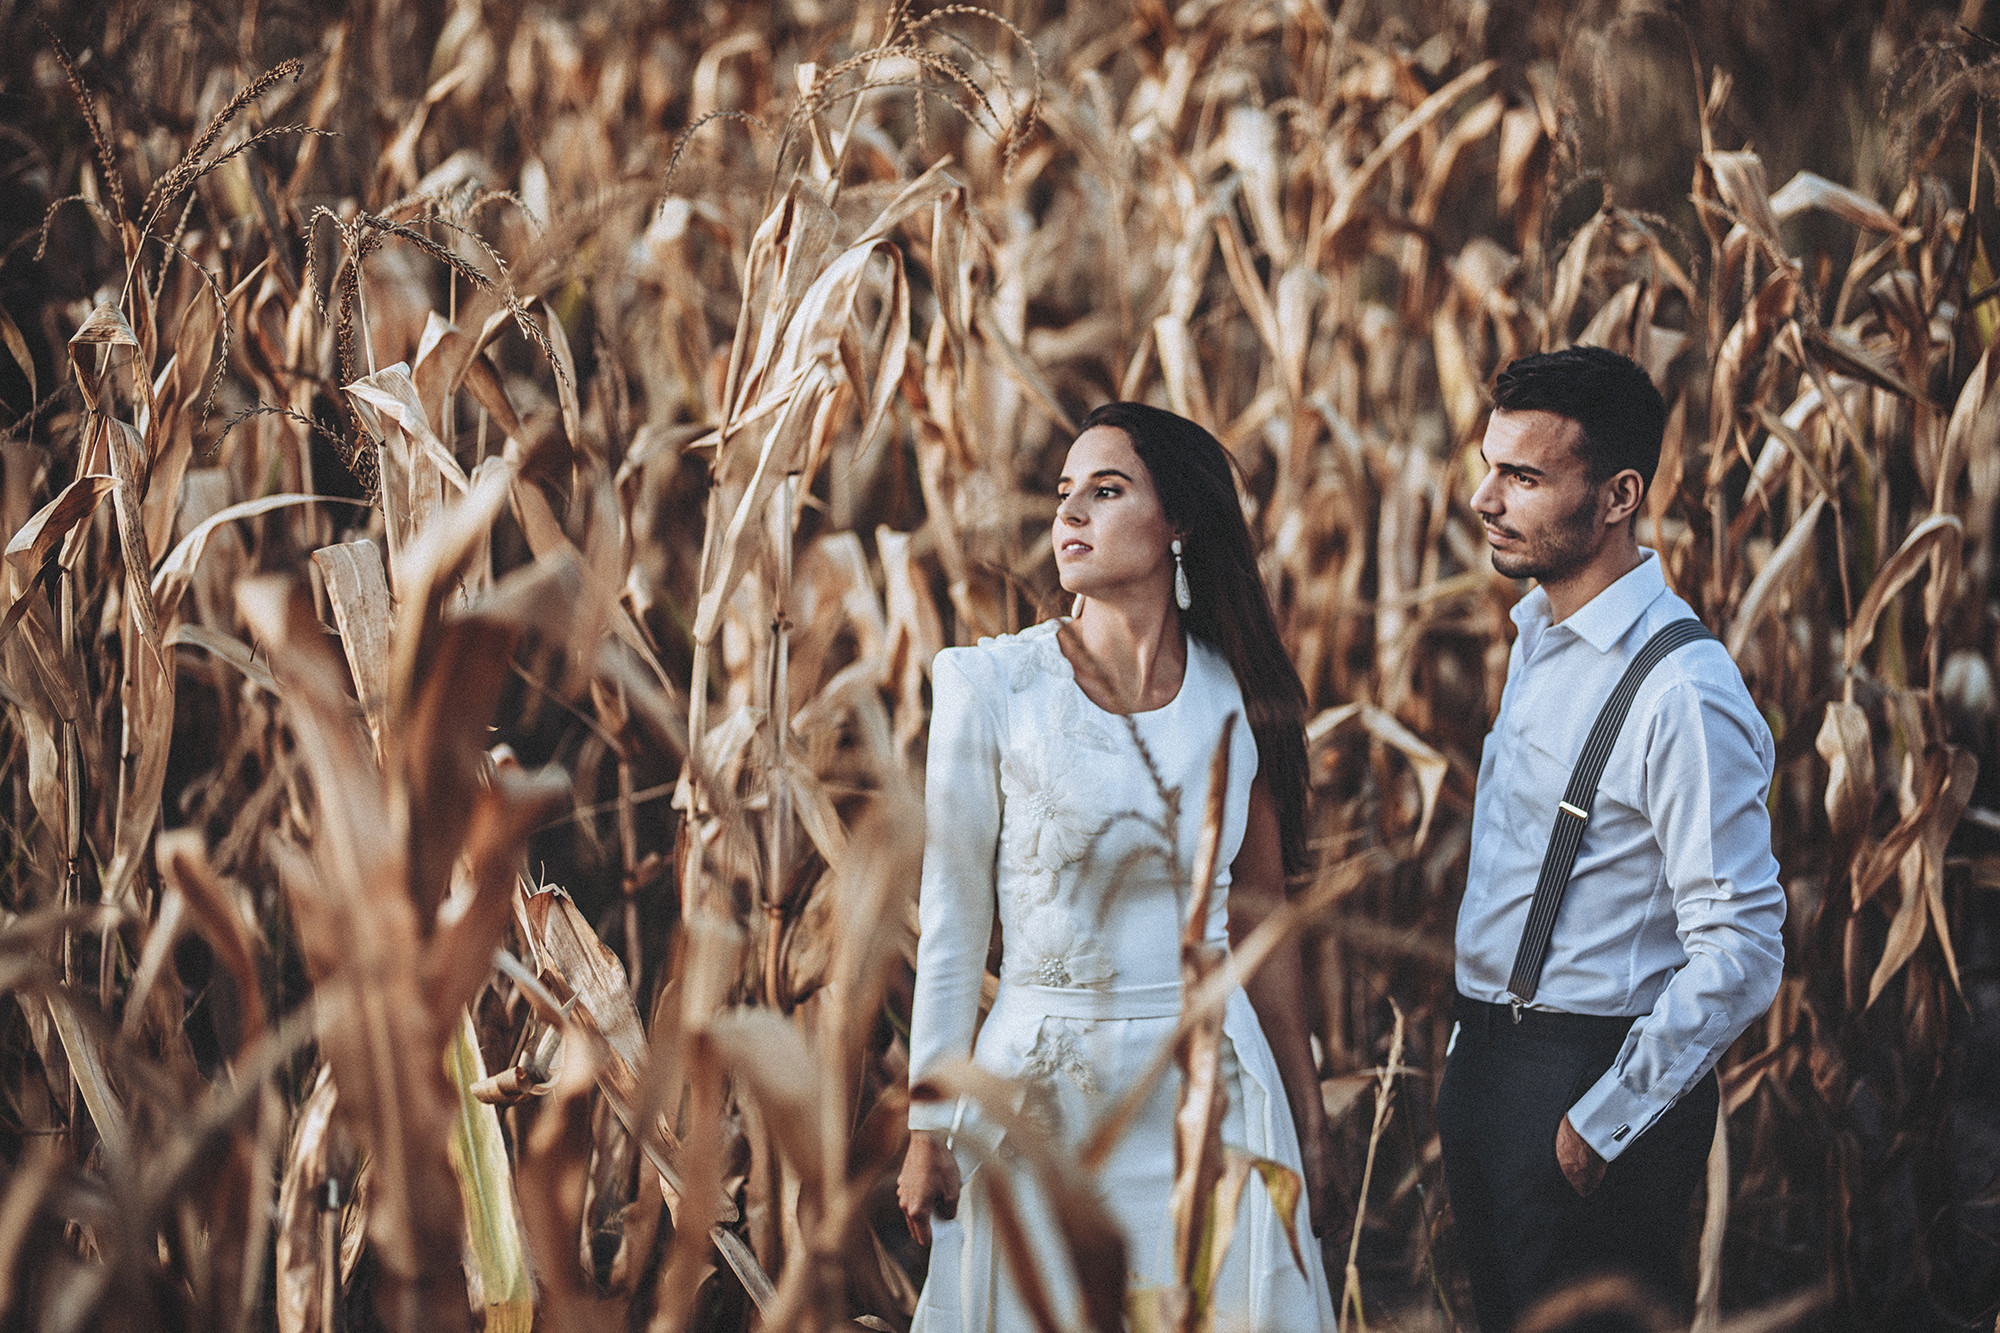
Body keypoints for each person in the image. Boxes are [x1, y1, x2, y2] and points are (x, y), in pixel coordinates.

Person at [896, 403, 1339, 1330]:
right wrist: (930, 1121)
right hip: (1040, 1105)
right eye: (1065, 496)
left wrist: (1302, 1099)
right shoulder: (991, 690)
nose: (1071, 516)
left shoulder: (1237, 691)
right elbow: (953, 922)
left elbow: (1260, 914)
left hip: (1216, 1100)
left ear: (1178, 521)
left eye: (1106, 490)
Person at [1438, 347, 1786, 1330]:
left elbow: (1743, 945)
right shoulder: (1538, 637)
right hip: (1493, 1068)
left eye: (1521, 476)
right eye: (1488, 465)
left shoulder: (1681, 690)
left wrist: (1601, 1120)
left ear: (1617, 494)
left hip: (1587, 1081)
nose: (1481, 498)